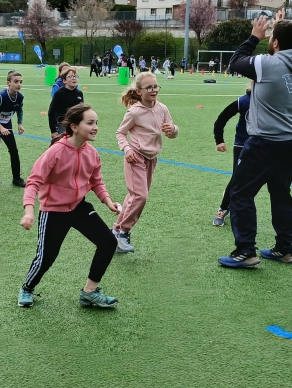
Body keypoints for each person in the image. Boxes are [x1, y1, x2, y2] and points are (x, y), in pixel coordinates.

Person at [218, 8, 292, 268]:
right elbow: (282, 52)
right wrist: (279, 29)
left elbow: (236, 61)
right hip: (291, 141)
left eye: (273, 37)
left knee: (240, 193)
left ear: (276, 42)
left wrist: (254, 36)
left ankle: (245, 251)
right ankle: (284, 249)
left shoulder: (268, 64)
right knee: (281, 194)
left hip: (264, 142)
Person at [18, 103, 121, 309]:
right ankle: (27, 288)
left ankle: (89, 293)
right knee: (47, 256)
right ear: (74, 126)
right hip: (53, 210)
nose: (95, 127)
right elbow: (34, 182)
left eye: (96, 123)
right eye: (90, 123)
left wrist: (109, 202)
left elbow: (96, 182)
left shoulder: (91, 153)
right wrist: (29, 211)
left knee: (108, 242)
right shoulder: (55, 152)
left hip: (79, 206)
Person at [110, 72, 178, 254]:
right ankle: (123, 232)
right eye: (149, 87)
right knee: (141, 196)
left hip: (151, 158)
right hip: (135, 156)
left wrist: (173, 130)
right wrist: (127, 149)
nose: (154, 90)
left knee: (134, 196)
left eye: (155, 86)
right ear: (139, 92)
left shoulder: (162, 108)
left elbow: (172, 132)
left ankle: (115, 231)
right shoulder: (134, 111)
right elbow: (120, 133)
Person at [212, 87, 251, 227]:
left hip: (264, 144)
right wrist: (219, 140)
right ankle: (223, 208)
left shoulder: (271, 100)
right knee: (237, 178)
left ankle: (242, 207)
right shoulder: (243, 101)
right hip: (243, 145)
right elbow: (221, 119)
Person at [48, 66, 84, 144]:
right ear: (64, 80)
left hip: (76, 125)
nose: (74, 78)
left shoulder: (79, 93)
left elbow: (82, 111)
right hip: (63, 126)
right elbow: (51, 112)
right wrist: (53, 130)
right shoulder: (60, 93)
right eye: (70, 76)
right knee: (63, 146)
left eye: (75, 76)